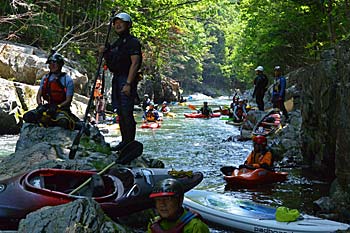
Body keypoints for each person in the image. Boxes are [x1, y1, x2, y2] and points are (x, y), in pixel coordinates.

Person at [102, 12, 142, 151]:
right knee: (119, 111)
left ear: (128, 25)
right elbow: (112, 63)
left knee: (126, 111)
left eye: (121, 22)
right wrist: (105, 52)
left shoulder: (133, 42)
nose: (117, 25)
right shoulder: (116, 43)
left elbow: (135, 63)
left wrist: (129, 83)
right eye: (115, 22)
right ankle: (124, 141)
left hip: (126, 78)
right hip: (117, 78)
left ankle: (129, 143)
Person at [23, 52, 78, 130]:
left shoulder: (67, 80)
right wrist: (40, 106)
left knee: (62, 122)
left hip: (61, 108)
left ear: (60, 65)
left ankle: (74, 124)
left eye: (54, 63)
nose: (51, 65)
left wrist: (58, 107)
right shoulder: (45, 78)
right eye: (50, 63)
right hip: (48, 106)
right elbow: (39, 95)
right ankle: (45, 121)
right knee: (27, 116)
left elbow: (68, 100)